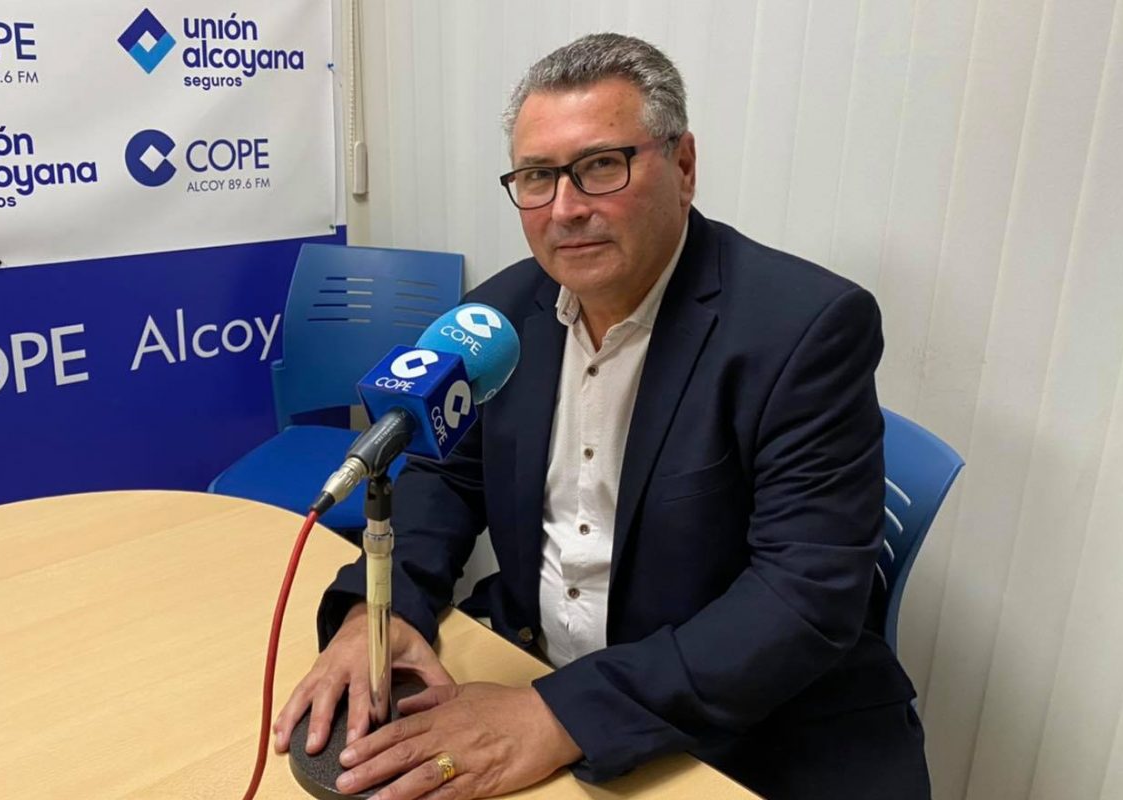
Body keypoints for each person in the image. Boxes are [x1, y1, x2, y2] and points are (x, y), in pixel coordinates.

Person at [274, 32, 930, 800]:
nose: (566, 209)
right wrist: (379, 615)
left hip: (746, 729)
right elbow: (443, 477)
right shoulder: (498, 318)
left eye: (601, 166)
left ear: (683, 166)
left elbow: (803, 596)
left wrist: (557, 715)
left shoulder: (805, 330)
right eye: (537, 176)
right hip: (531, 663)